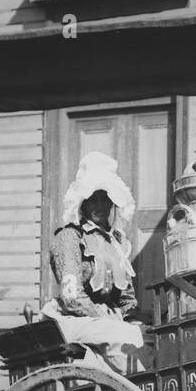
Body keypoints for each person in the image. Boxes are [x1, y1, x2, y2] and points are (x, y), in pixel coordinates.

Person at [42, 152, 146, 372]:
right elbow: (72, 298)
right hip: (71, 319)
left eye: (105, 198)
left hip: (106, 320)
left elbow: (126, 296)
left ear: (113, 202)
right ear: (83, 202)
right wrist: (108, 319)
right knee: (121, 337)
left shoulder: (115, 242)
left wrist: (133, 319)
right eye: (93, 199)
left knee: (145, 338)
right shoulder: (69, 237)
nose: (99, 205)